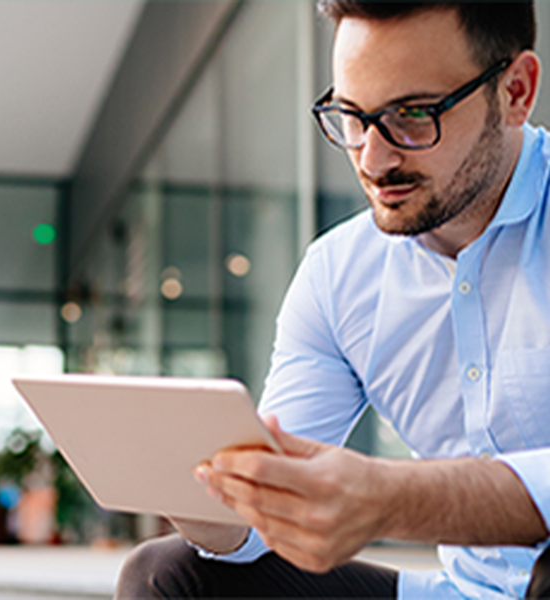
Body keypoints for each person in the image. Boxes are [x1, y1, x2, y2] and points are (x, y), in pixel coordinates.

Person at [115, 2, 550, 598]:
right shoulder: (340, 273)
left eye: (415, 115)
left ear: (517, 91)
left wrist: (394, 501)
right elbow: (257, 527)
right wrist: (200, 487)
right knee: (165, 574)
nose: (373, 158)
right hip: (465, 592)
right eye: (352, 117)